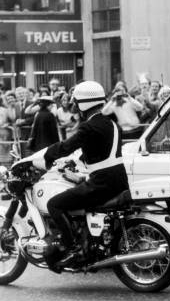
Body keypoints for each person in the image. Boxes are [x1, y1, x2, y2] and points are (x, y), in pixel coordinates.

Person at [37, 81, 129, 266]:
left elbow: (66, 146)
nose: (75, 106)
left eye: (76, 102)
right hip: (118, 180)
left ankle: (73, 249)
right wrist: (78, 165)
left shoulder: (89, 126)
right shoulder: (111, 123)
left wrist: (44, 156)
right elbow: (100, 151)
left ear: (83, 103)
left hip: (101, 184)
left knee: (54, 204)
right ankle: (86, 241)